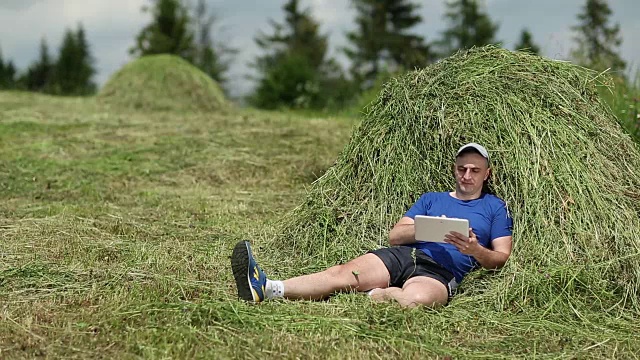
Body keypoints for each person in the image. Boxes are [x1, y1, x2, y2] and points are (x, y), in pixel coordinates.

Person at [230, 143, 513, 308]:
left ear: (486, 174)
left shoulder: (494, 208)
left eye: (474, 170)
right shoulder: (431, 199)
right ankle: (266, 287)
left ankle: (375, 293)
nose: (466, 175)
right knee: (341, 274)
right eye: (461, 168)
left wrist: (476, 250)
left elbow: (501, 257)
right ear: (454, 169)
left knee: (413, 302)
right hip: (405, 255)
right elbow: (395, 236)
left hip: (441, 272)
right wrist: (426, 229)